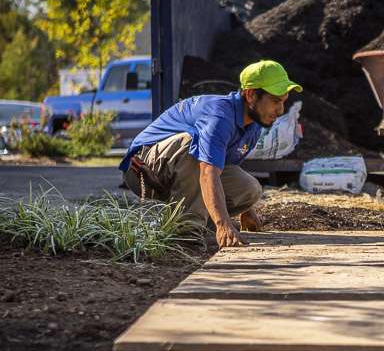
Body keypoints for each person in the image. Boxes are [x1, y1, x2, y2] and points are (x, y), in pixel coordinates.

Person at [120, 60, 301, 248]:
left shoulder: (254, 124)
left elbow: (224, 166)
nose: (280, 111)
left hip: (181, 170)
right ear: (251, 95)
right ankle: (186, 232)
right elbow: (207, 173)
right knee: (195, 146)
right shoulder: (219, 117)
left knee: (250, 188)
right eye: (275, 101)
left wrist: (246, 210)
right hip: (143, 169)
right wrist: (223, 224)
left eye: (283, 102)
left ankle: (196, 219)